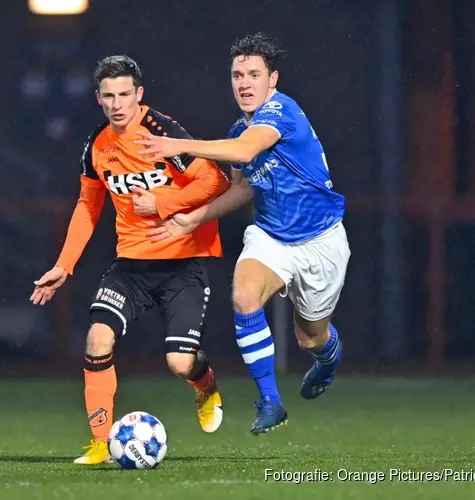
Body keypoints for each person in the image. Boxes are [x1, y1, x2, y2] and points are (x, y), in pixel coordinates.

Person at [135, 33, 351, 435]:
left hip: (321, 239)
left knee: (310, 338)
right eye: (237, 75)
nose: (244, 83)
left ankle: (328, 360)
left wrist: (178, 144)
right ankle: (270, 401)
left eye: (254, 74)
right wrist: (191, 218)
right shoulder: (239, 128)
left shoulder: (281, 112)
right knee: (244, 295)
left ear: (273, 80)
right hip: (271, 236)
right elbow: (243, 187)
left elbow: (246, 152)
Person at [30, 55, 230, 464]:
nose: (118, 103)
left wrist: (162, 201)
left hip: (181, 264)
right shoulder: (97, 145)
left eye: (125, 94)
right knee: (97, 338)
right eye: (109, 96)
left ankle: (205, 384)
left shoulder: (162, 132)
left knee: (179, 363)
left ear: (139, 94)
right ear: (98, 99)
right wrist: (63, 266)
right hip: (131, 268)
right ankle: (101, 443)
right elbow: (88, 206)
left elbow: (216, 180)